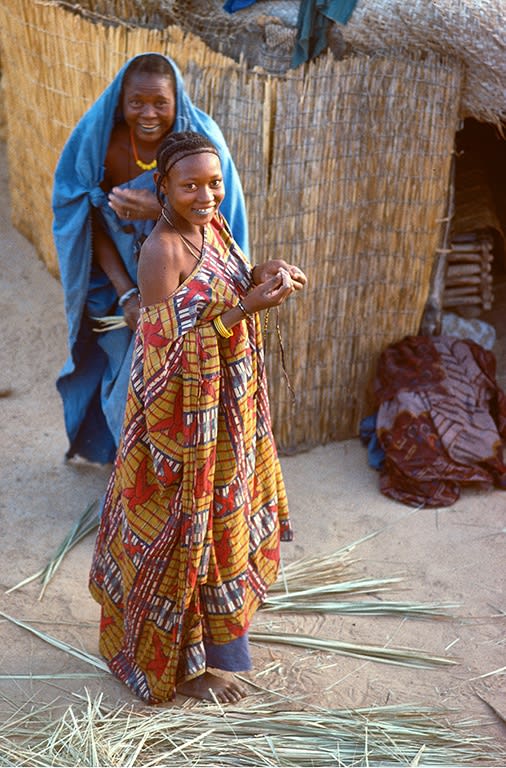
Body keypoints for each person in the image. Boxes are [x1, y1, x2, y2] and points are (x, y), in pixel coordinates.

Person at [88, 131, 307, 704]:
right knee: (184, 538)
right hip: (181, 427)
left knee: (219, 528)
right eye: (190, 185)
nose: (206, 194)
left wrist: (263, 270)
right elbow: (161, 354)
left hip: (226, 416)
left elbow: (226, 282)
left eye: (213, 183)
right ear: (162, 186)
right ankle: (185, 670)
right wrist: (244, 310)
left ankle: (219, 648)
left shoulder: (211, 227)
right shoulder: (161, 251)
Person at [53, 53, 249, 465]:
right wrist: (126, 296)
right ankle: (131, 475)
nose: (148, 113)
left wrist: (156, 211)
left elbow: (218, 225)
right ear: (119, 101)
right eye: (136, 102)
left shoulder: (199, 143)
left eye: (160, 102)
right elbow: (87, 224)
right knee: (124, 382)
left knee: (176, 385)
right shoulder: (97, 144)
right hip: (116, 281)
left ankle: (172, 480)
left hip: (185, 288)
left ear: (177, 100)